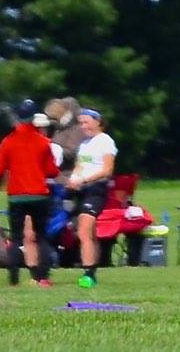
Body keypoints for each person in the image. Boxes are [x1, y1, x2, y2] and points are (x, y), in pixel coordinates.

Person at [0, 102, 56, 287]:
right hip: (39, 194)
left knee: (17, 237)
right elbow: (52, 170)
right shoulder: (43, 142)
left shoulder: (8, 141)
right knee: (41, 236)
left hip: (17, 195)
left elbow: (0, 169)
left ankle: (13, 279)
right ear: (34, 117)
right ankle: (43, 277)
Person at [67, 108, 117, 289]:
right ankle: (93, 268)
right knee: (85, 232)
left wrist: (85, 179)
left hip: (96, 189)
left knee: (84, 230)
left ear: (98, 121)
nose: (83, 126)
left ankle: (88, 273)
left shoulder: (105, 141)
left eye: (86, 122)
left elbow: (107, 170)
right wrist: (73, 180)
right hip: (81, 190)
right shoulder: (85, 144)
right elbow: (80, 166)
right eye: (81, 123)